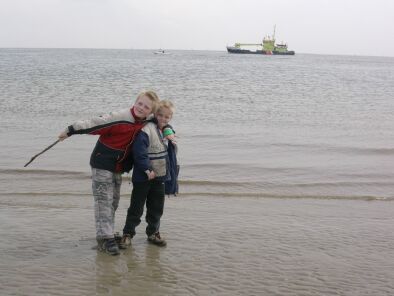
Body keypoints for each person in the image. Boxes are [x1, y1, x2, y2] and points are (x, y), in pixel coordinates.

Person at [58, 91, 160, 255]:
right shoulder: (119, 117)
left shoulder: (147, 120)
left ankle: (108, 232)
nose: (141, 108)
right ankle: (105, 239)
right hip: (102, 162)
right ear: (135, 102)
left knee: (113, 201)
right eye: (139, 103)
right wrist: (70, 130)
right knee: (103, 201)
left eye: (146, 107)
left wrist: (168, 129)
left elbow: (161, 119)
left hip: (118, 167)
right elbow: (94, 123)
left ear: (151, 112)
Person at [119, 100, 178, 249]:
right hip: (143, 176)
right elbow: (139, 153)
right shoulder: (146, 129)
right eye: (160, 115)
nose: (163, 119)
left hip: (160, 176)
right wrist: (147, 170)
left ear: (170, 118)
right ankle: (128, 234)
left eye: (167, 117)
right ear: (154, 114)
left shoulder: (166, 130)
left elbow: (169, 148)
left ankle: (153, 233)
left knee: (156, 207)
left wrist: (169, 131)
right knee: (136, 207)